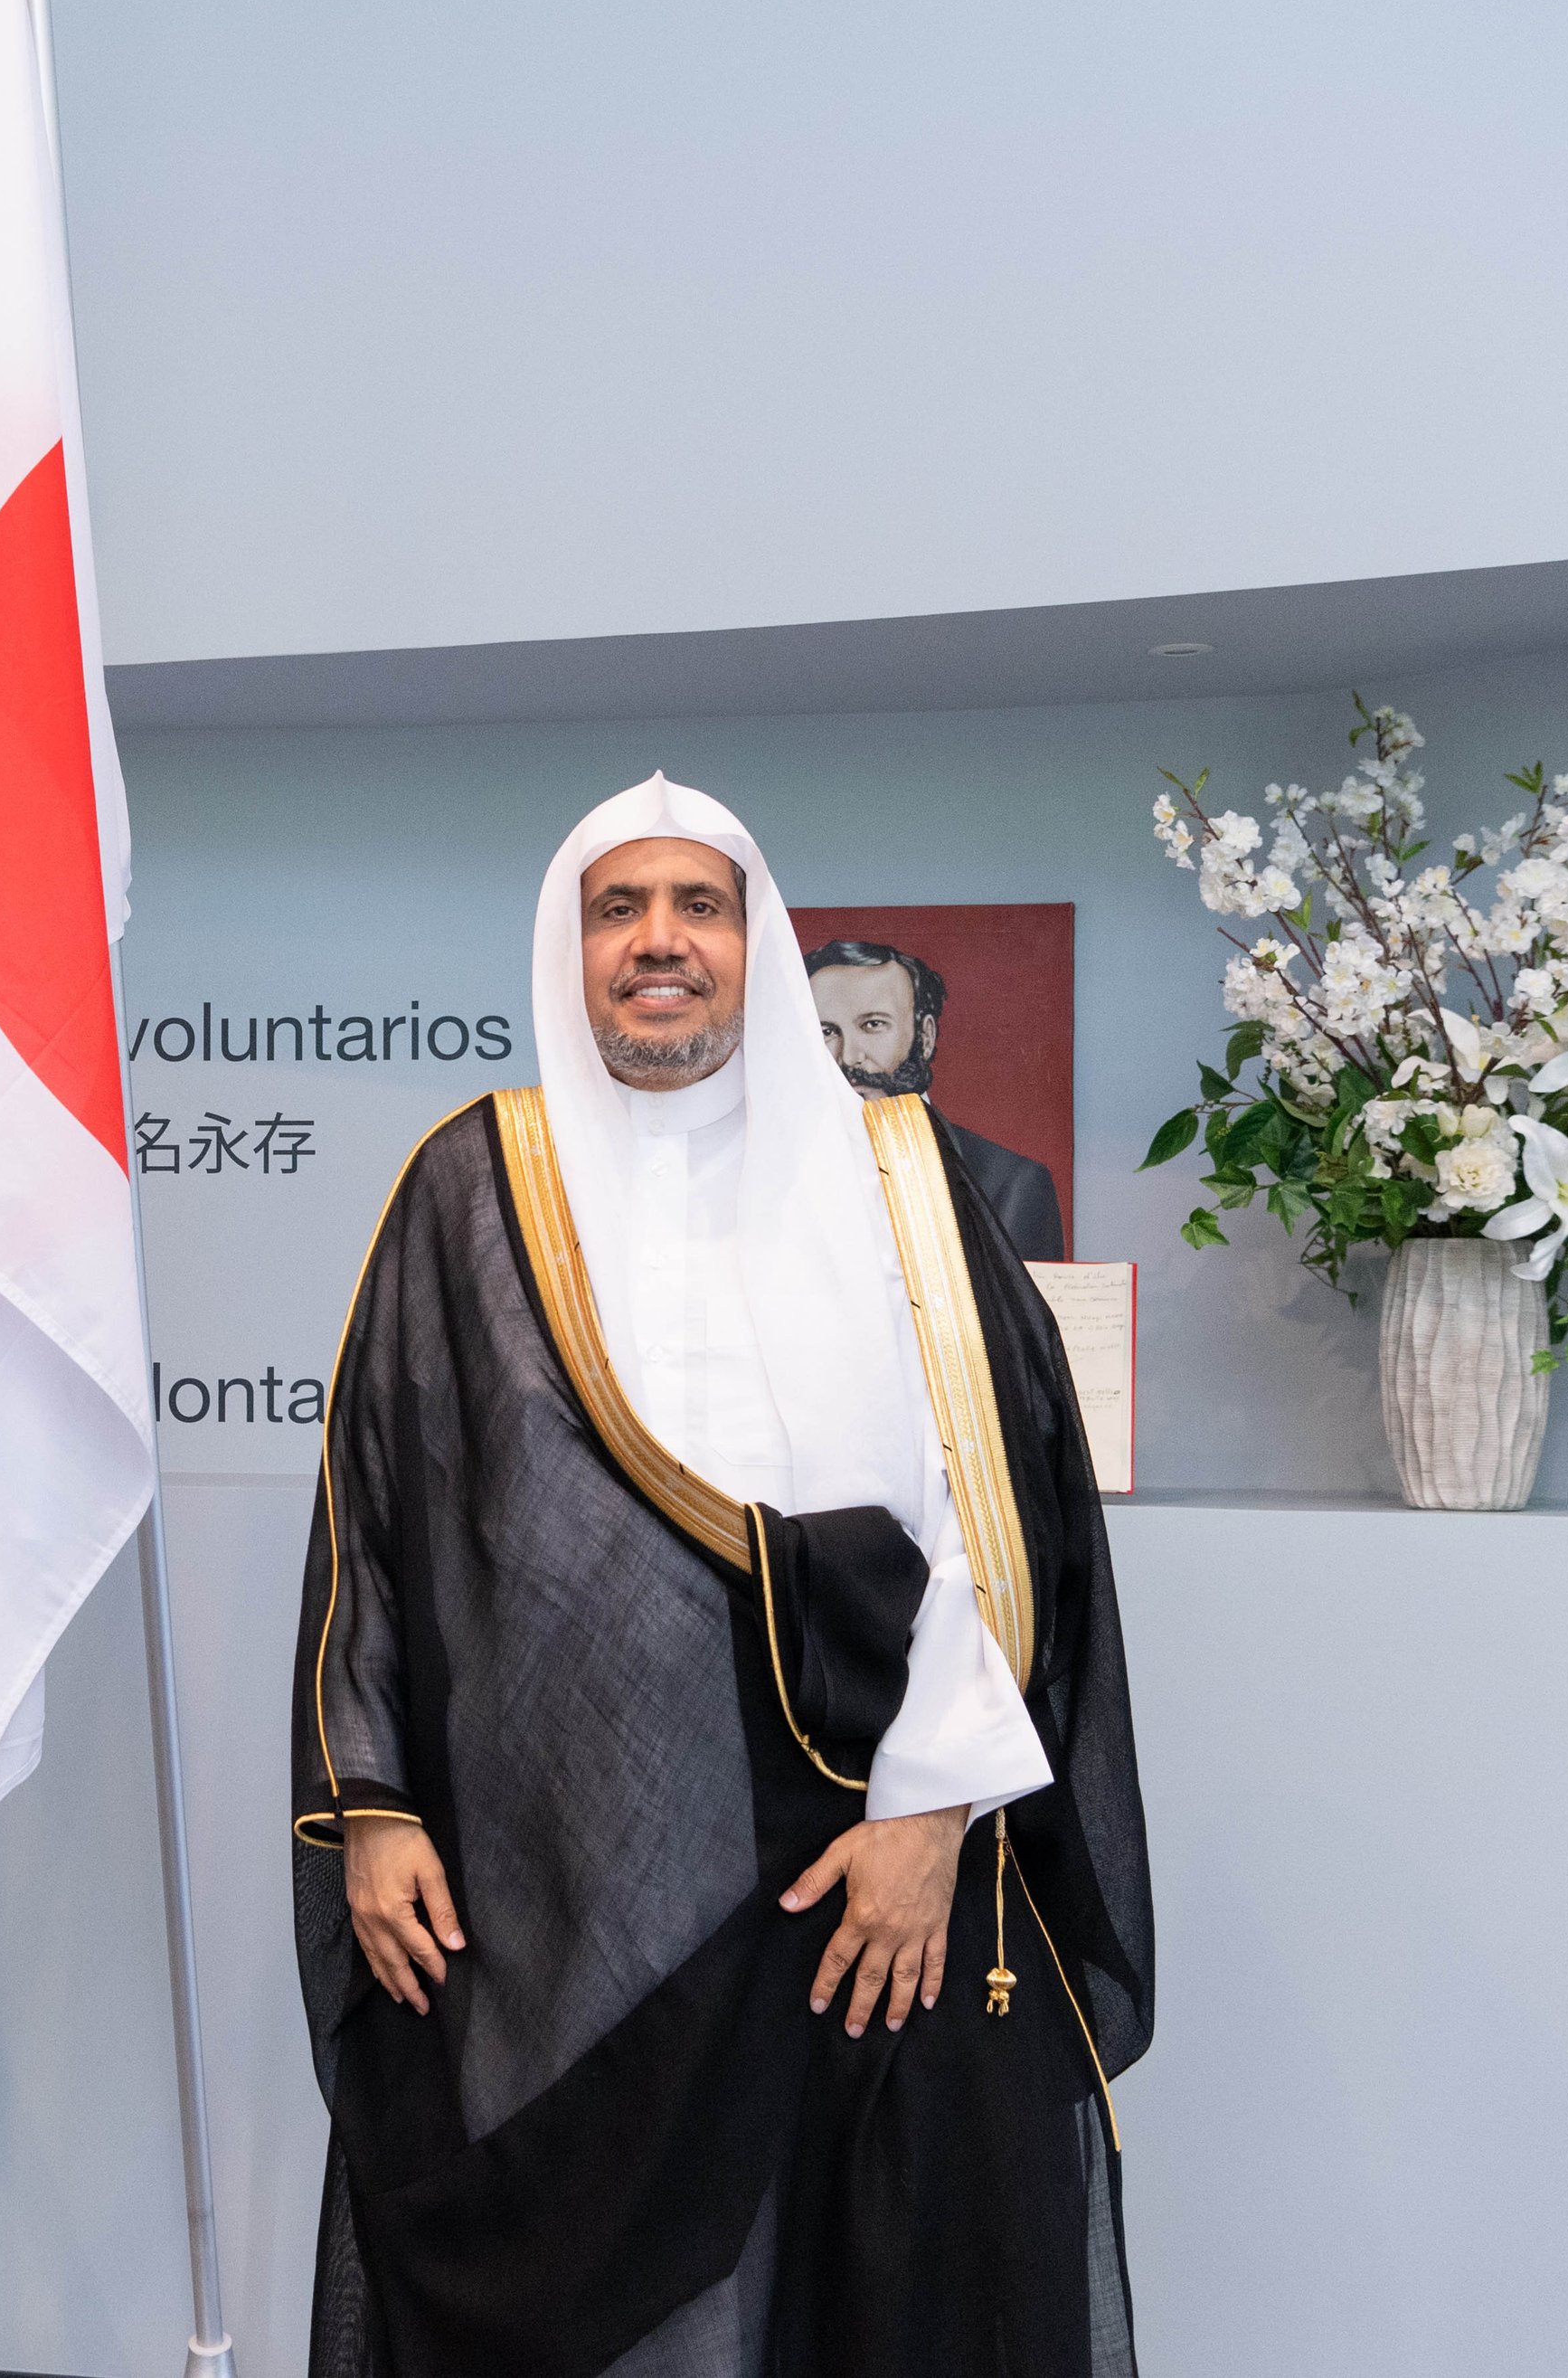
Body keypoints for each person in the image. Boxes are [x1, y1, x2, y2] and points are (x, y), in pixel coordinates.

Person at [292, 778, 1150, 2378]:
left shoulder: (898, 1177)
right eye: (619, 909)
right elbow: (375, 1509)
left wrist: (931, 1808)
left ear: (759, 944)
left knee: (866, 2290)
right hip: (545, 1881)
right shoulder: (475, 1183)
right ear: (571, 951)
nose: (659, 942)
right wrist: (377, 1800)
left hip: (857, 1851)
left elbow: (998, 1508)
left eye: (700, 905)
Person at [805, 936, 1068, 1260]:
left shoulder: (1009, 1183)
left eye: (873, 1025)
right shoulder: (776, 1171)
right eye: (827, 1032)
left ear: (925, 1037)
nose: (850, 1057)